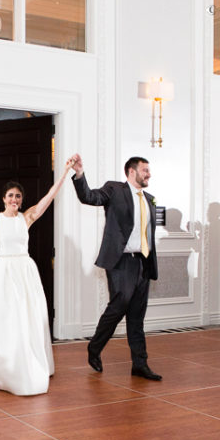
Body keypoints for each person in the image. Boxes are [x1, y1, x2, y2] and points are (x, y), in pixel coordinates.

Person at [0, 157, 75, 396]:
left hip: (24, 273)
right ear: (4, 198)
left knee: (27, 318)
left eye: (18, 196)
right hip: (2, 274)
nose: (14, 199)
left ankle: (28, 362)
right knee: (6, 320)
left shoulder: (27, 217)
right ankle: (5, 366)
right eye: (10, 195)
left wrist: (64, 172)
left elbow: (49, 197)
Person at [71, 154, 162, 381]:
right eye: (145, 170)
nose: (148, 174)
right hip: (121, 261)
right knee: (119, 304)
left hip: (143, 261)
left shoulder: (149, 198)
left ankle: (140, 364)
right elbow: (89, 197)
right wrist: (80, 174)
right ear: (131, 172)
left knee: (137, 315)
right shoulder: (114, 190)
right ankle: (95, 347)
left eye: (148, 170)